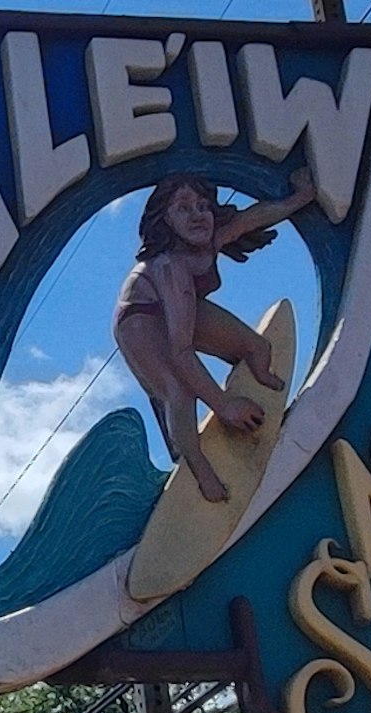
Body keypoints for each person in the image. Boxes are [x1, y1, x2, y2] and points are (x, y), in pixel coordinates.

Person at [114, 169, 315, 501]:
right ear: (165, 221)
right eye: (182, 208)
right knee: (179, 391)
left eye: (202, 205)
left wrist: (299, 198)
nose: (197, 215)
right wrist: (224, 406)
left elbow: (253, 218)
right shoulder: (170, 268)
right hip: (140, 321)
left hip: (178, 306)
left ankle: (261, 397)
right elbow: (181, 351)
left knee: (255, 346)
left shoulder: (212, 240)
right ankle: (197, 469)